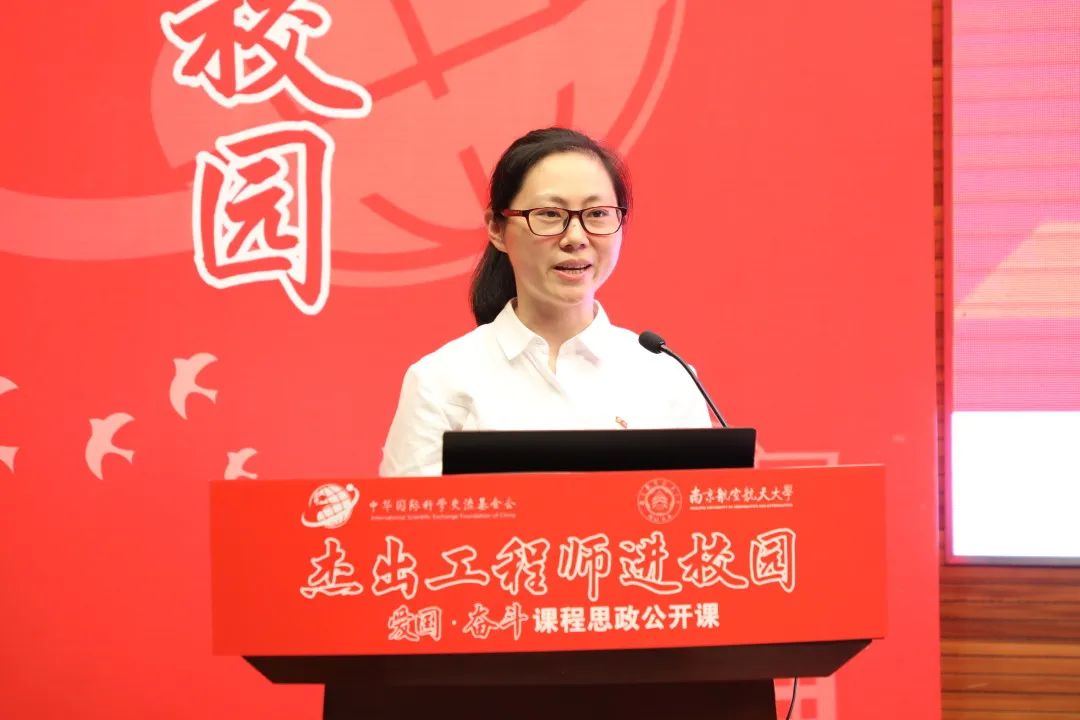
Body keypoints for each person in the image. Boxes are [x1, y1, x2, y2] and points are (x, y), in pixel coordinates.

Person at [378, 127, 711, 477]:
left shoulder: (665, 376)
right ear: (497, 228)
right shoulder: (441, 380)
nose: (575, 238)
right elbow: (409, 511)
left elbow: (699, 507)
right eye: (550, 214)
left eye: (597, 214)